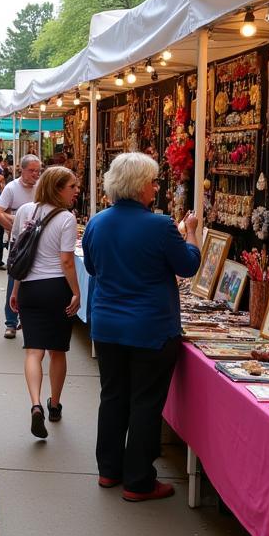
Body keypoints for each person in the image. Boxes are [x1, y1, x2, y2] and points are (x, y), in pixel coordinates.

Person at [82, 151, 200, 502]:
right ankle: (138, 480)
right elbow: (189, 265)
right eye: (152, 181)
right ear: (139, 186)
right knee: (146, 402)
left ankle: (109, 469)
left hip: (108, 324)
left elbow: (91, 267)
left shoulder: (97, 222)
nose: (155, 187)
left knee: (113, 396)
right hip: (150, 327)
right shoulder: (160, 225)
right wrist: (192, 233)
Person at [9, 166, 82, 439]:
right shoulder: (66, 218)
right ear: (58, 188)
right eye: (71, 186)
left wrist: (15, 290)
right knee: (58, 351)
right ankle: (54, 403)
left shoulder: (26, 211)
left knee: (33, 351)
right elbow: (66, 261)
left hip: (29, 288)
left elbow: (19, 253)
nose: (76, 190)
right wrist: (76, 291)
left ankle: (35, 403)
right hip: (55, 288)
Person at [0, 154, 42, 340]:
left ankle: (28, 320)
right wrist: (14, 228)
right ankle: (10, 322)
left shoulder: (41, 187)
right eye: (32, 171)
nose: (35, 174)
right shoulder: (12, 188)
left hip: (38, 241)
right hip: (18, 243)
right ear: (22, 169)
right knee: (15, 280)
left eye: (38, 171)